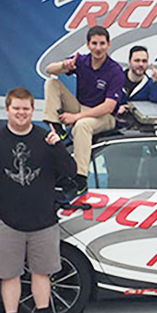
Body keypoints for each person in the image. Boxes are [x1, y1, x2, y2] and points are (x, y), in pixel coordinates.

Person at [0, 88, 78, 313]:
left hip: (43, 222)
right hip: (6, 224)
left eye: (26, 109)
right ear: (7, 110)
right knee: (9, 275)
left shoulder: (46, 139)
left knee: (42, 273)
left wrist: (58, 147)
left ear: (32, 111)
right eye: (16, 108)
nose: (21, 113)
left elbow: (70, 172)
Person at [43, 25, 124, 194]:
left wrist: (76, 117)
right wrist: (64, 65)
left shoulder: (115, 70)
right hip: (82, 108)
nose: (98, 48)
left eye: (102, 43)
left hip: (105, 116)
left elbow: (109, 106)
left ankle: (80, 178)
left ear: (108, 45)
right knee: (51, 83)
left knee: (81, 126)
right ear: (88, 44)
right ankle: (56, 127)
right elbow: (48, 70)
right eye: (94, 43)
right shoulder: (81, 60)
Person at [116, 45, 157, 114]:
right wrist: (116, 111)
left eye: (144, 61)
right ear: (129, 62)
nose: (141, 64)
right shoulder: (116, 81)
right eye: (137, 60)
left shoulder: (151, 84)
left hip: (142, 123)